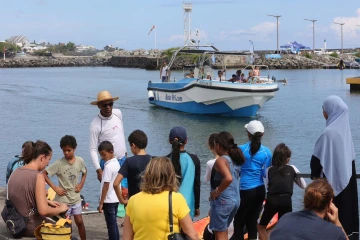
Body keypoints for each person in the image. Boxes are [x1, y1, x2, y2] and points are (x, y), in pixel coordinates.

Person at [310, 95, 359, 240]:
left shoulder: (328, 133)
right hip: (348, 183)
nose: (323, 112)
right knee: (346, 219)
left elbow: (316, 162)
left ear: (330, 111)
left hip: (330, 188)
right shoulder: (345, 133)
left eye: (324, 109)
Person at [123, 157, 199, 240]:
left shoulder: (133, 200)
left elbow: (127, 237)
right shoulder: (176, 199)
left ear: (147, 175)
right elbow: (192, 234)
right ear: (171, 176)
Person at [7, 140, 68, 237]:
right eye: (48, 160)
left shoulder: (16, 172)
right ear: (43, 157)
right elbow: (43, 211)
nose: (47, 165)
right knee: (66, 228)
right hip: (29, 226)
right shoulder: (38, 177)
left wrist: (47, 201)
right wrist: (61, 208)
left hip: (14, 223)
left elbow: (22, 195)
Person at [270, 179, 348, 240]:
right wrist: (337, 222)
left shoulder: (285, 218)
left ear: (305, 199)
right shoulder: (334, 232)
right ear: (330, 203)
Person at [257, 143, 307, 240]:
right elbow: (304, 185)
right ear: (287, 158)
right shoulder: (292, 168)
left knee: (261, 227)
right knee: (284, 228)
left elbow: (268, 185)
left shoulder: (269, 170)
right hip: (286, 201)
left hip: (272, 201)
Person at [232, 120, 272, 240]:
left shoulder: (241, 150)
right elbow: (266, 173)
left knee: (238, 221)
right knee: (252, 220)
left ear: (248, 134)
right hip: (260, 190)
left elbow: (236, 170)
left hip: (246, 190)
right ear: (262, 134)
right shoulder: (267, 152)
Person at [43, 135, 87, 240]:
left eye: (69, 150)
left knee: (80, 222)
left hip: (75, 198)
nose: (66, 153)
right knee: (66, 224)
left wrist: (81, 184)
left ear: (74, 148)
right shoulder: (59, 163)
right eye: (64, 151)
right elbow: (44, 174)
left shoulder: (80, 161)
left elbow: (85, 171)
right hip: (63, 200)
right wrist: (54, 188)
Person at [209, 131, 245, 240]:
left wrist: (217, 192)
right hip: (235, 200)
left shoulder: (221, 160)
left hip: (223, 202)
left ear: (218, 146)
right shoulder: (234, 160)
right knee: (223, 230)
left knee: (219, 233)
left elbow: (228, 178)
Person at [89, 90, 127, 184]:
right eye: (104, 105)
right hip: (108, 164)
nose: (108, 107)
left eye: (110, 104)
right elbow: (93, 149)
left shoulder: (118, 113)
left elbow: (121, 133)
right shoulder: (95, 124)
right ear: (99, 106)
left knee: (125, 192)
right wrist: (98, 170)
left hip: (123, 160)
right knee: (109, 194)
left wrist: (125, 152)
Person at [167, 126, 201, 219]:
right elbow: (197, 184)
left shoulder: (165, 160)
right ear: (186, 140)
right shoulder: (194, 160)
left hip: (169, 205)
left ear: (170, 141)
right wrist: (196, 206)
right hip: (188, 205)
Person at [114, 129, 152, 202]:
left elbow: (116, 183)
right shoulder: (153, 160)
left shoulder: (129, 161)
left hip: (134, 202)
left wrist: (122, 200)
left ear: (133, 145)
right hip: (150, 202)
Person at [97, 141, 121, 240]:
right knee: (114, 224)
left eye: (104, 154)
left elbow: (106, 185)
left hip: (108, 200)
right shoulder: (117, 163)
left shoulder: (108, 166)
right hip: (116, 198)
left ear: (111, 152)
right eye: (101, 155)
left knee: (111, 226)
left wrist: (101, 202)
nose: (102, 157)